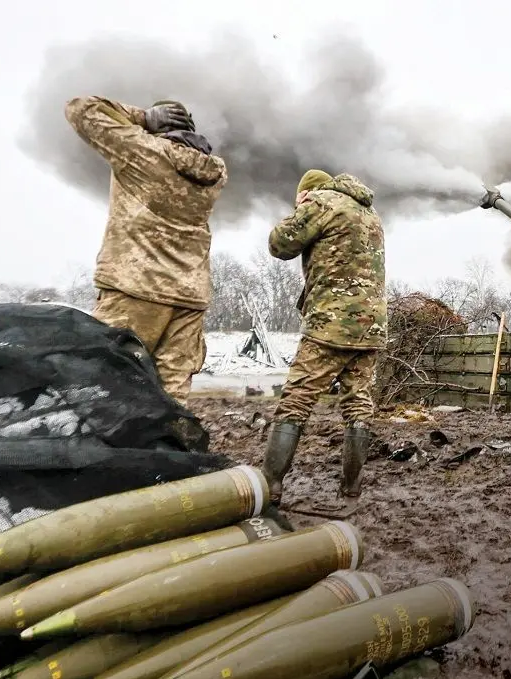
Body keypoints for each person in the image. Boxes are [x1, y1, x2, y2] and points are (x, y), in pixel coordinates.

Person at [65, 96, 227, 406]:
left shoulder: (143, 151)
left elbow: (80, 108)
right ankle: (167, 452)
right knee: (172, 397)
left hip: (136, 288)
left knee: (110, 384)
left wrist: (140, 117)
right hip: (189, 296)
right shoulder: (214, 173)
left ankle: (112, 453)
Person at [261, 169, 387, 515]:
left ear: (308, 191)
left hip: (331, 324)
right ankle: (351, 491)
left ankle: (270, 486)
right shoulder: (369, 212)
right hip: (371, 327)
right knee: (358, 404)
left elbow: (279, 244)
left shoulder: (321, 202)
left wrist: (303, 205)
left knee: (296, 400)